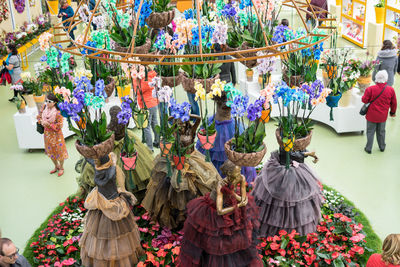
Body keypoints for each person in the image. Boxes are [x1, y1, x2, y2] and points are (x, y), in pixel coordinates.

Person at [142, 114, 220, 230]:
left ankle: (194, 214)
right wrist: (174, 116)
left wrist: (186, 115)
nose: (181, 127)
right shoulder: (174, 131)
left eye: (183, 124)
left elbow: (199, 119)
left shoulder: (191, 131)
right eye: (178, 125)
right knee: (172, 189)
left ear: (187, 124)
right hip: (176, 160)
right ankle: (178, 216)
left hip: (191, 160)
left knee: (195, 186)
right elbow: (166, 120)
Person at [178, 160, 262, 267]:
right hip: (216, 208)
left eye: (240, 170)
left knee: (239, 234)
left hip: (231, 203)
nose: (240, 173)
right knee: (216, 238)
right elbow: (220, 211)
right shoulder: (220, 185)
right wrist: (238, 205)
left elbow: (243, 199)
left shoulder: (241, 178)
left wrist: (233, 194)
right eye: (237, 171)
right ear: (229, 173)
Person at [79, 153, 144, 266]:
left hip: (111, 201)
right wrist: (113, 164)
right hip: (107, 203)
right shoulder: (105, 171)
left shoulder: (98, 168)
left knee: (110, 231)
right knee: (106, 231)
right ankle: (112, 259)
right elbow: (108, 177)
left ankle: (113, 257)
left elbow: (89, 160)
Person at [252, 147, 322, 237]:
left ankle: (294, 230)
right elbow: (292, 154)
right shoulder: (284, 139)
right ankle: (277, 229)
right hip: (282, 171)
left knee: (299, 197)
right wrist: (308, 154)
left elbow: (300, 150)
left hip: (295, 168)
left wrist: (311, 154)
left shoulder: (294, 139)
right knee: (281, 199)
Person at [196, 89, 257, 182]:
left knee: (237, 151)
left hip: (231, 125)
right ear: (217, 104)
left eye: (229, 107)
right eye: (225, 108)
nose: (227, 110)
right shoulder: (209, 123)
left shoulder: (237, 127)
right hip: (217, 125)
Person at [362, 70, 397, 154]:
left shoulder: (370, 89)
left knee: (370, 132)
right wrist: (392, 112)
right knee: (381, 132)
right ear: (386, 79)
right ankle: (382, 147)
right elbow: (394, 103)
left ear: (376, 78)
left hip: (371, 116)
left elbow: (364, 100)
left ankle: (368, 148)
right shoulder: (390, 90)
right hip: (382, 116)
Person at [37, 94, 68, 176]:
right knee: (50, 151)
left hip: (57, 135)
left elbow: (60, 125)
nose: (47, 103)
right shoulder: (44, 108)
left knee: (60, 152)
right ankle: (56, 166)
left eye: (49, 101)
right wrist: (41, 121)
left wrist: (48, 125)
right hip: (47, 134)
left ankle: (61, 167)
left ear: (54, 103)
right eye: (46, 100)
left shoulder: (58, 112)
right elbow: (39, 117)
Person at [133, 70, 160, 152]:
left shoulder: (142, 79)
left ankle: (150, 148)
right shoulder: (152, 76)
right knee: (155, 123)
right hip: (154, 102)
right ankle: (157, 142)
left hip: (146, 105)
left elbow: (138, 91)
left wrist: (135, 80)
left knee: (146, 126)